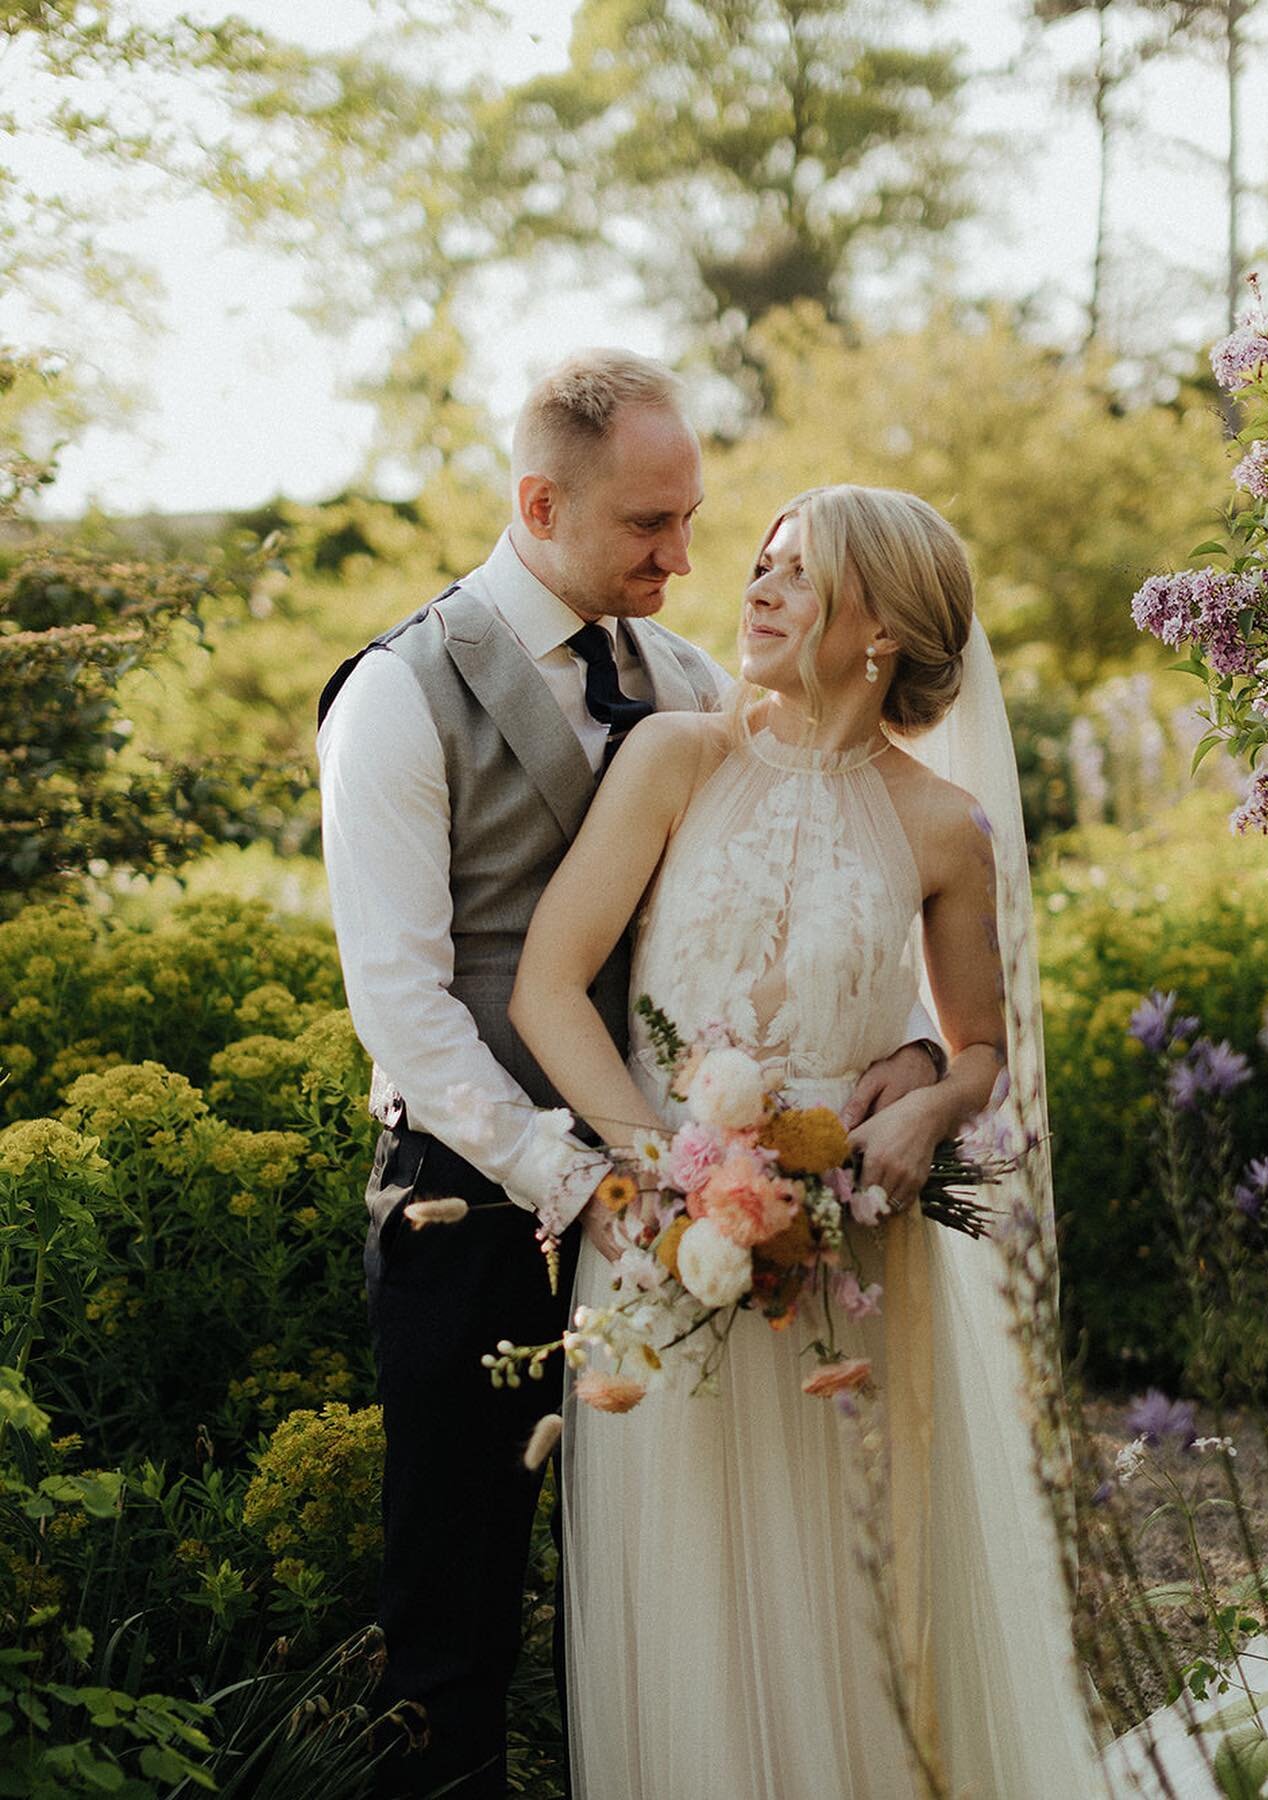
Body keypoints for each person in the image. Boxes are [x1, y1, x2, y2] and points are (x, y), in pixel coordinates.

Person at [316, 355, 945, 1799]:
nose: (684, 557)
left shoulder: (697, 682)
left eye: (693, 520)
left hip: (696, 1206)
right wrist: (593, 1175)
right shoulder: (397, 698)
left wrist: (908, 1054)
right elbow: (403, 1008)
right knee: (456, 1622)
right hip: (471, 1206)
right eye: (647, 528)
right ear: (538, 502)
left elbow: (810, 889)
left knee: (671, 1599)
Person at [510, 484, 1104, 1797]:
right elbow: (548, 986)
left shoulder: (945, 828)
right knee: (697, 1599)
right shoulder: (677, 758)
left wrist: (929, 1104)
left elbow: (984, 1048)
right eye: (763, 564)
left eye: (798, 572)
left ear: (880, 624)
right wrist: (658, 1186)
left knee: (853, 1594)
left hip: (855, 1261)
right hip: (668, 1245)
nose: (757, 588)